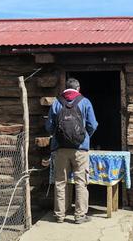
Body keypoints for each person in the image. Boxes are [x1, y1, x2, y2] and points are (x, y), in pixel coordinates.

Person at [45, 77, 98, 224]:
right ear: (78, 88)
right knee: (81, 182)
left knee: (60, 182)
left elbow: (49, 126)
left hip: (60, 148)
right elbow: (92, 124)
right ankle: (80, 216)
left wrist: (59, 135)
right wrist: (84, 137)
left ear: (65, 88)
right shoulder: (85, 102)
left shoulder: (57, 102)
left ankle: (59, 215)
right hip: (80, 149)